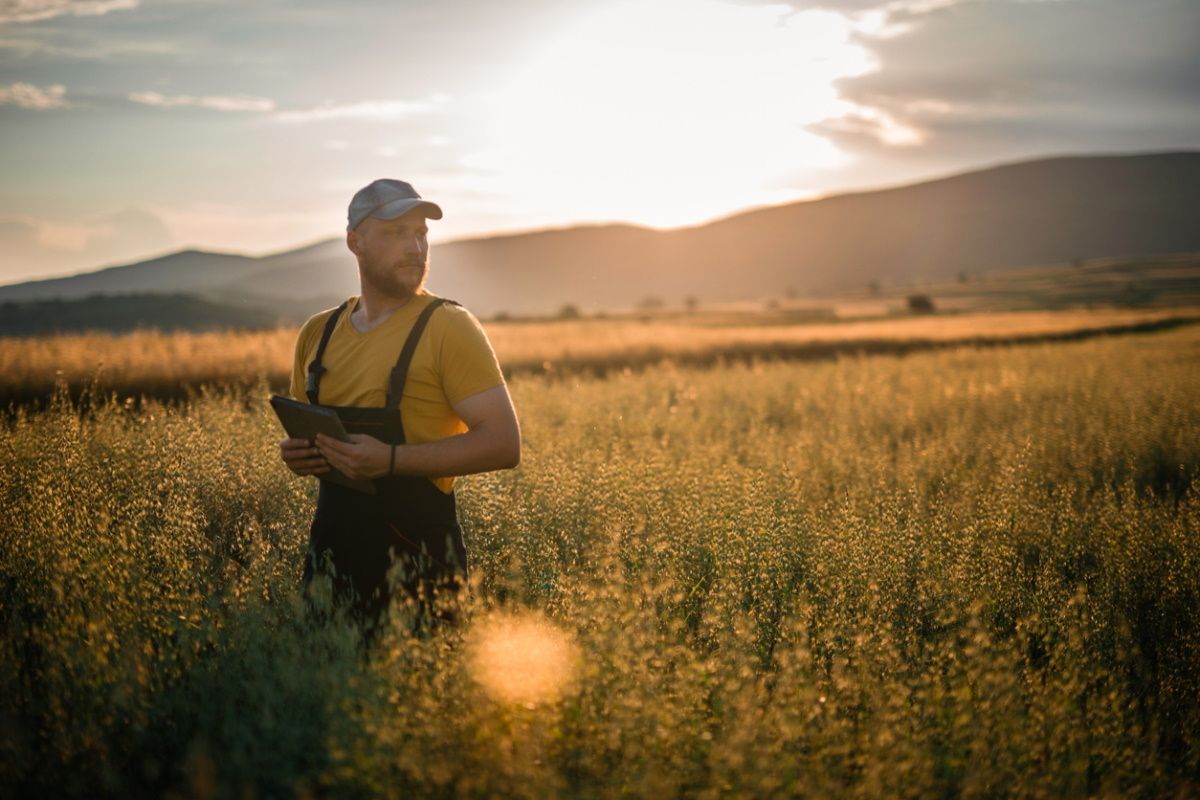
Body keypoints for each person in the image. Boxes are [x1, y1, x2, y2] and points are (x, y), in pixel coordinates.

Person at [279, 178, 520, 641]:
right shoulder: (319, 333)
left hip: (422, 561)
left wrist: (390, 460)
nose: (415, 247)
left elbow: (504, 444)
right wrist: (298, 455)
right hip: (331, 555)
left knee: (421, 704)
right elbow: (306, 435)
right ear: (355, 241)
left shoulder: (448, 327)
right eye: (395, 233)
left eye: (421, 234)